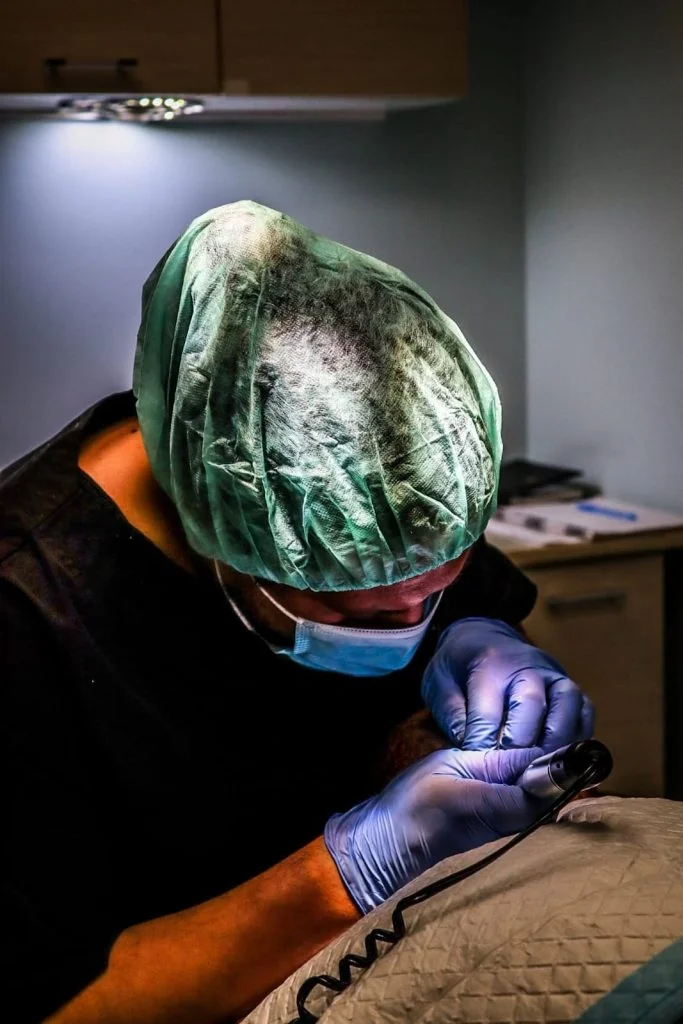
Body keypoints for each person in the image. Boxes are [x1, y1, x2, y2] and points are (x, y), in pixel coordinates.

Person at [2, 202, 593, 1024]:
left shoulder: (378, 479)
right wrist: (344, 875)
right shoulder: (28, 615)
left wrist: (481, 641)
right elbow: (53, 1001)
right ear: (223, 530)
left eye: (434, 592)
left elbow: (429, 591)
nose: (409, 624)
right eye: (362, 612)